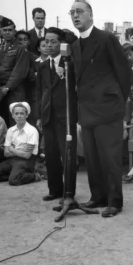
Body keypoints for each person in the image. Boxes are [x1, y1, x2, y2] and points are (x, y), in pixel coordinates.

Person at [71, 0, 131, 217]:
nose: (75, 16)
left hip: (108, 109)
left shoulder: (106, 38)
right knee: (92, 158)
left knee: (110, 158)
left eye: (79, 11)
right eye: (72, 13)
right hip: (86, 110)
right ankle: (98, 197)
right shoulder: (75, 46)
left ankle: (115, 201)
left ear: (91, 15)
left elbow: (124, 73)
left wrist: (117, 102)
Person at [36, 27, 78, 203]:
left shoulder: (69, 63)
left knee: (67, 154)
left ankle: (68, 193)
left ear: (61, 43)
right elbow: (40, 92)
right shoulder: (43, 65)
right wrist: (39, 115)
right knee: (51, 155)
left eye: (53, 41)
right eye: (46, 41)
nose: (49, 45)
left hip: (65, 116)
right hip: (48, 116)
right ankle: (55, 189)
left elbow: (76, 91)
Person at [0, 102, 41, 185]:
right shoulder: (10, 130)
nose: (19, 116)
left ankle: (34, 176)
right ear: (13, 116)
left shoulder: (32, 131)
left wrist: (12, 149)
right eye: (16, 113)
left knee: (13, 181)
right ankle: (16, 175)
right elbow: (6, 153)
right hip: (13, 160)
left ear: (26, 115)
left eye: (22, 113)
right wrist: (20, 151)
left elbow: (27, 155)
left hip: (26, 161)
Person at [0, 17, 30, 126]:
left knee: (15, 119)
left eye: (10, 30)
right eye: (5, 30)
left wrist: (7, 87)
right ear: (1, 32)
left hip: (14, 89)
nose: (7, 32)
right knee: (0, 119)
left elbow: (19, 71)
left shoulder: (20, 48)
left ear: (14, 31)